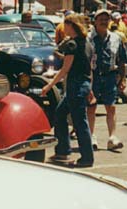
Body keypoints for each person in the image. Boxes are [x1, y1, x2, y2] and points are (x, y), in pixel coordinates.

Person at [41, 14, 95, 168]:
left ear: (72, 25)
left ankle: (86, 157)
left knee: (79, 123)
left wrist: (49, 85)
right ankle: (63, 150)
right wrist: (90, 87)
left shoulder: (72, 44)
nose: (63, 28)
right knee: (60, 114)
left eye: (65, 25)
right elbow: (89, 68)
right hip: (82, 84)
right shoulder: (86, 43)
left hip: (75, 86)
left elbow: (65, 69)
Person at [87, 9, 127, 151]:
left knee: (111, 107)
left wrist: (122, 79)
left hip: (110, 76)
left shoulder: (116, 38)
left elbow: (122, 60)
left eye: (106, 19)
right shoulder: (88, 39)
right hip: (92, 76)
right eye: (101, 19)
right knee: (91, 107)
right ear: (95, 22)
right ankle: (91, 137)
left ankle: (112, 138)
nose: (104, 22)